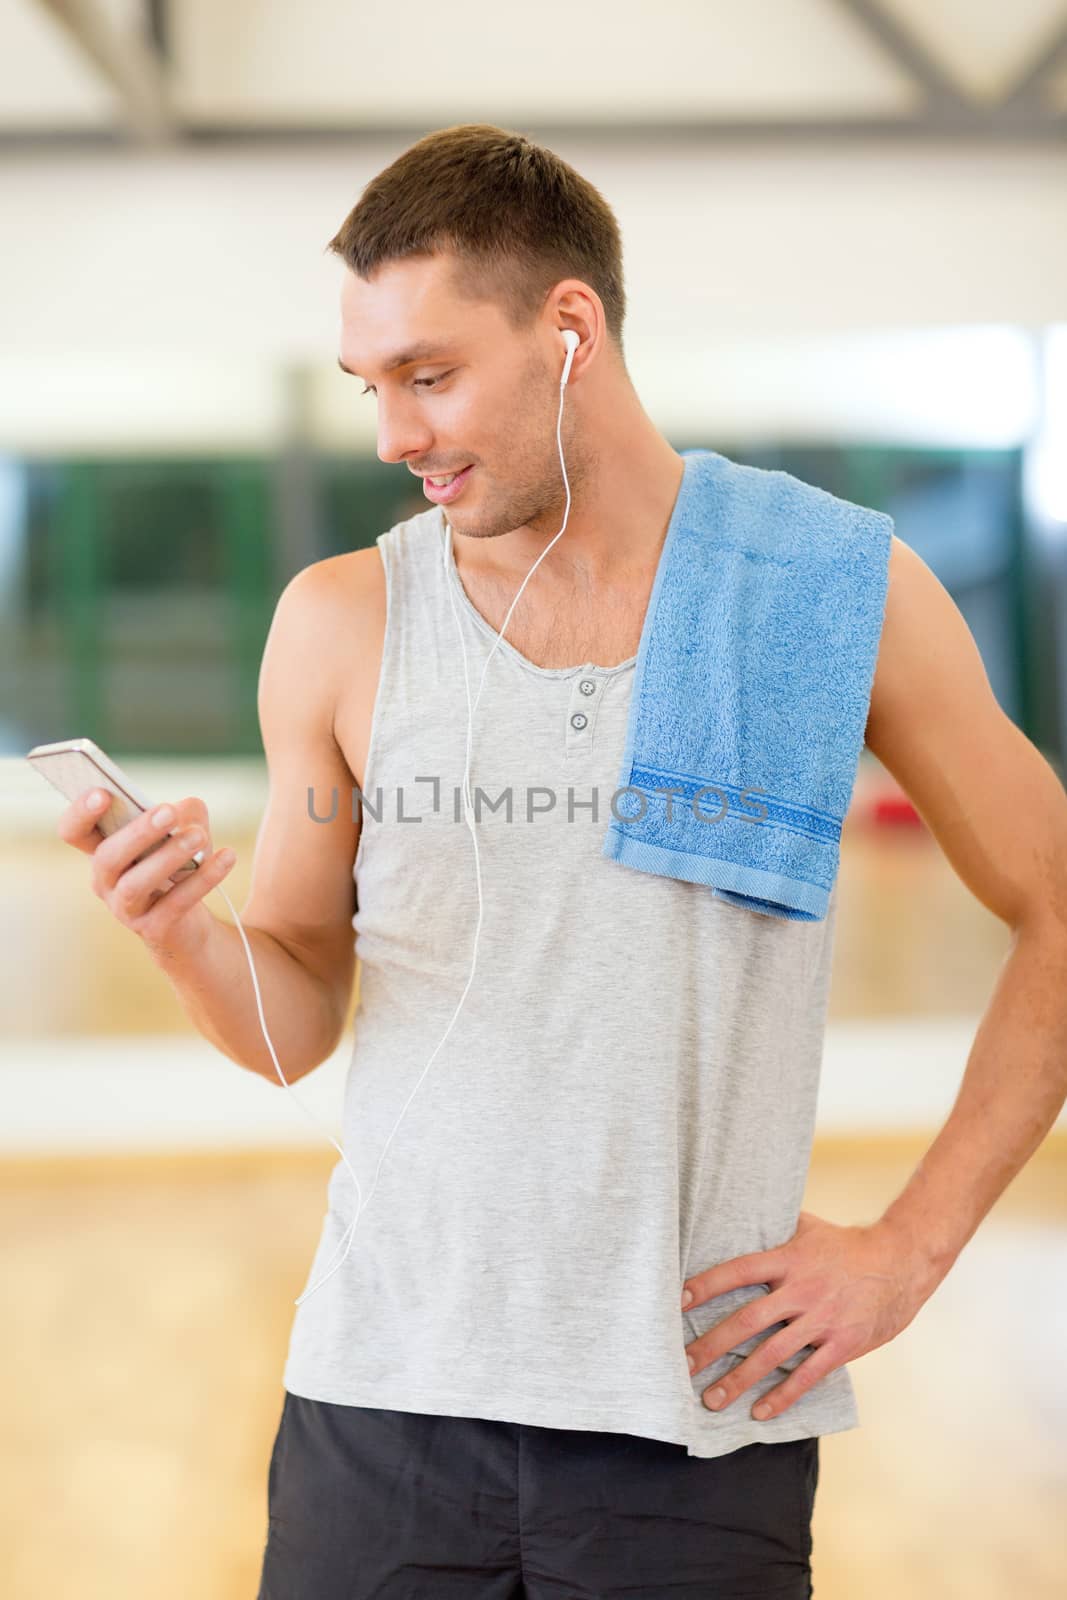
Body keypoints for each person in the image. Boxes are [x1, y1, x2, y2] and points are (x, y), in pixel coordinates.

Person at [58, 124, 1067, 1599]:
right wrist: (186, 939)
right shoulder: (341, 623)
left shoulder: (831, 593)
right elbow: (292, 1025)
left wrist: (909, 1251)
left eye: (431, 373)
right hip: (378, 1406)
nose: (395, 433)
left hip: (694, 1421)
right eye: (369, 386)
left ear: (569, 329)